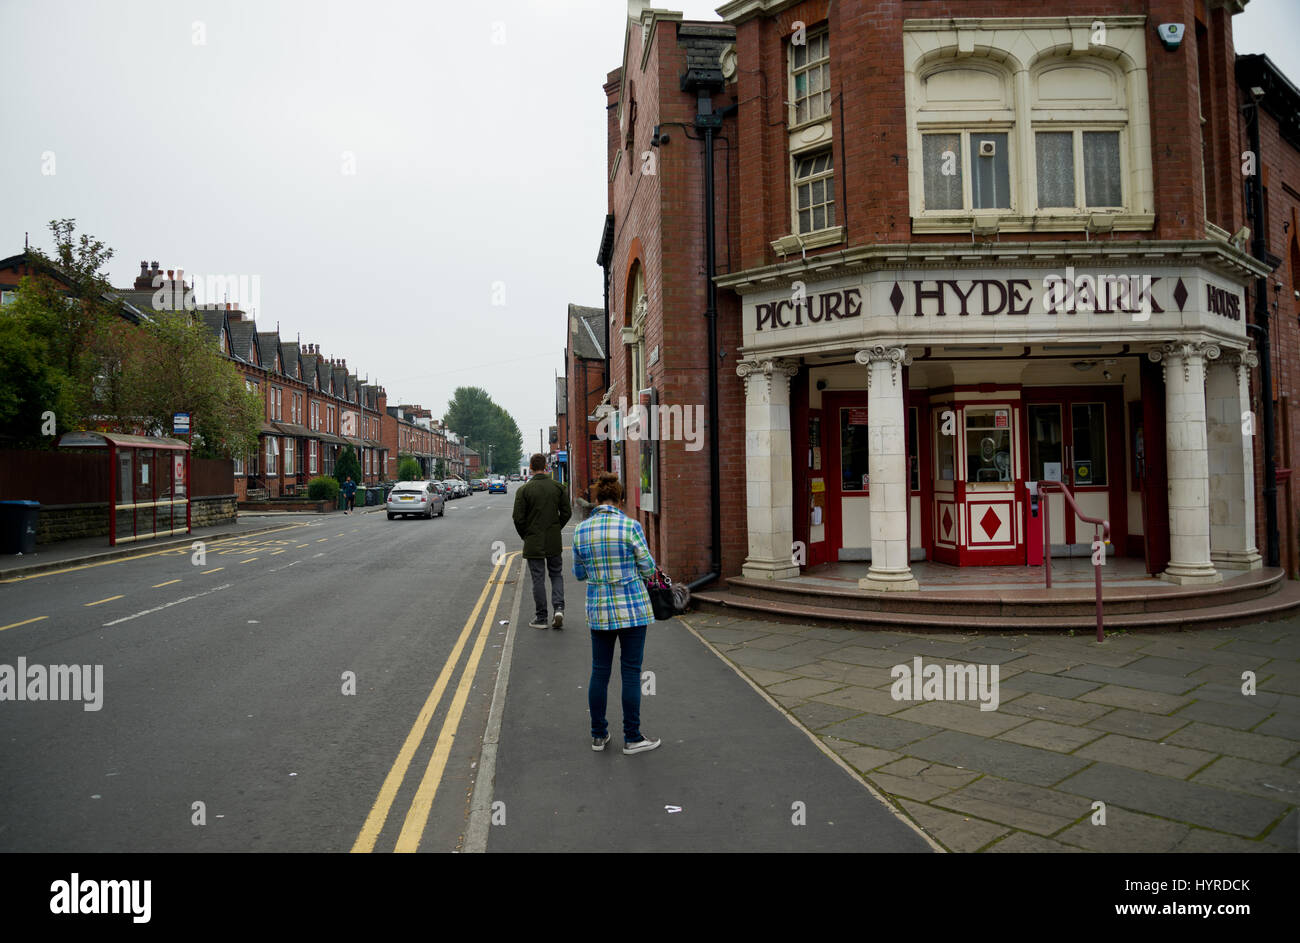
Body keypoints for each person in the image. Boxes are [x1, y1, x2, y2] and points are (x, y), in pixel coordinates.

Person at [572, 471, 660, 755]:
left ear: (596, 499)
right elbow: (648, 568)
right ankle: (632, 738)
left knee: (600, 672)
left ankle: (599, 735)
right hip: (632, 608)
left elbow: (578, 573)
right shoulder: (630, 526)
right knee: (631, 673)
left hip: (599, 609)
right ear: (620, 500)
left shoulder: (581, 530)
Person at [513, 453, 571, 630]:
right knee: (556, 574)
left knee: (537, 578)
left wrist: (526, 535)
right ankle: (559, 609)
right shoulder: (558, 488)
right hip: (553, 540)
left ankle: (541, 617)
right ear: (546, 466)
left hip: (533, 540)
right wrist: (555, 528)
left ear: (530, 467)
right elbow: (567, 513)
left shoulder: (524, 490)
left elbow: (518, 518)